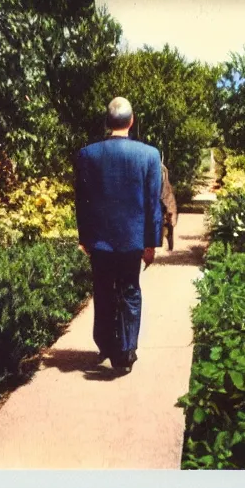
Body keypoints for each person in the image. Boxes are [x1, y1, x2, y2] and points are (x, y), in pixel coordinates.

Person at [74, 97, 163, 375]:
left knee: (103, 292)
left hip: (100, 240)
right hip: (132, 240)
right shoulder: (149, 155)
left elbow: (82, 201)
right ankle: (125, 351)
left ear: (107, 122)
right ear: (132, 121)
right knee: (130, 290)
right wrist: (151, 243)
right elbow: (153, 203)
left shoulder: (87, 155)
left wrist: (85, 237)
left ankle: (106, 344)